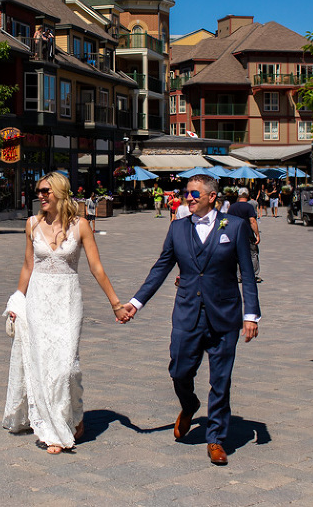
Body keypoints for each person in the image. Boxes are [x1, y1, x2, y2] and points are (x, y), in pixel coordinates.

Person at [120, 175, 260, 466]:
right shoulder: (177, 228)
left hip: (224, 315)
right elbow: (160, 269)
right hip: (187, 313)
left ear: (212, 196)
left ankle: (216, 439)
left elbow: (247, 273)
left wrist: (251, 315)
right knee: (179, 370)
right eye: (187, 193)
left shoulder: (233, 227)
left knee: (221, 380)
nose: (189, 197)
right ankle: (189, 404)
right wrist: (136, 302)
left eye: (195, 193)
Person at [3, 172, 127, 454]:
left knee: (65, 367)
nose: (41, 195)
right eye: (38, 191)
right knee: (42, 364)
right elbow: (27, 266)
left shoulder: (81, 225)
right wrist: (16, 301)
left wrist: (116, 304)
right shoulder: (32, 224)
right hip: (37, 300)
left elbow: (97, 267)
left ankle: (75, 415)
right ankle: (54, 429)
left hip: (68, 300)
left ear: (60, 192)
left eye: (46, 190)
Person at [228, 187, 262, 283]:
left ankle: (239, 276)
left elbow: (229, 221)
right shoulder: (249, 207)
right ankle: (253, 275)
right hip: (248, 234)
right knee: (253, 254)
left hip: (235, 234)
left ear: (238, 195)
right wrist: (257, 234)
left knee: (237, 255)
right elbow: (252, 221)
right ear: (247, 195)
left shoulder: (232, 207)